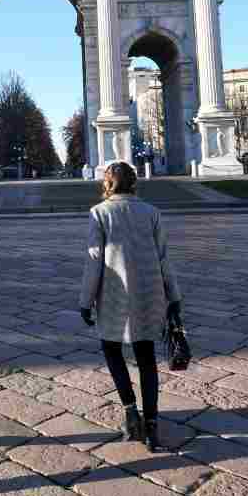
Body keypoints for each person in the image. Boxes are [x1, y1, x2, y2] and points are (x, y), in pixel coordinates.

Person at [80, 161, 182, 453]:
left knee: (112, 351)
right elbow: (164, 258)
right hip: (149, 294)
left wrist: (85, 301)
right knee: (147, 358)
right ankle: (151, 425)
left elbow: (94, 261)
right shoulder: (151, 212)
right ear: (134, 183)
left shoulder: (100, 213)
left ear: (107, 183)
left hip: (114, 296)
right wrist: (174, 296)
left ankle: (129, 411)